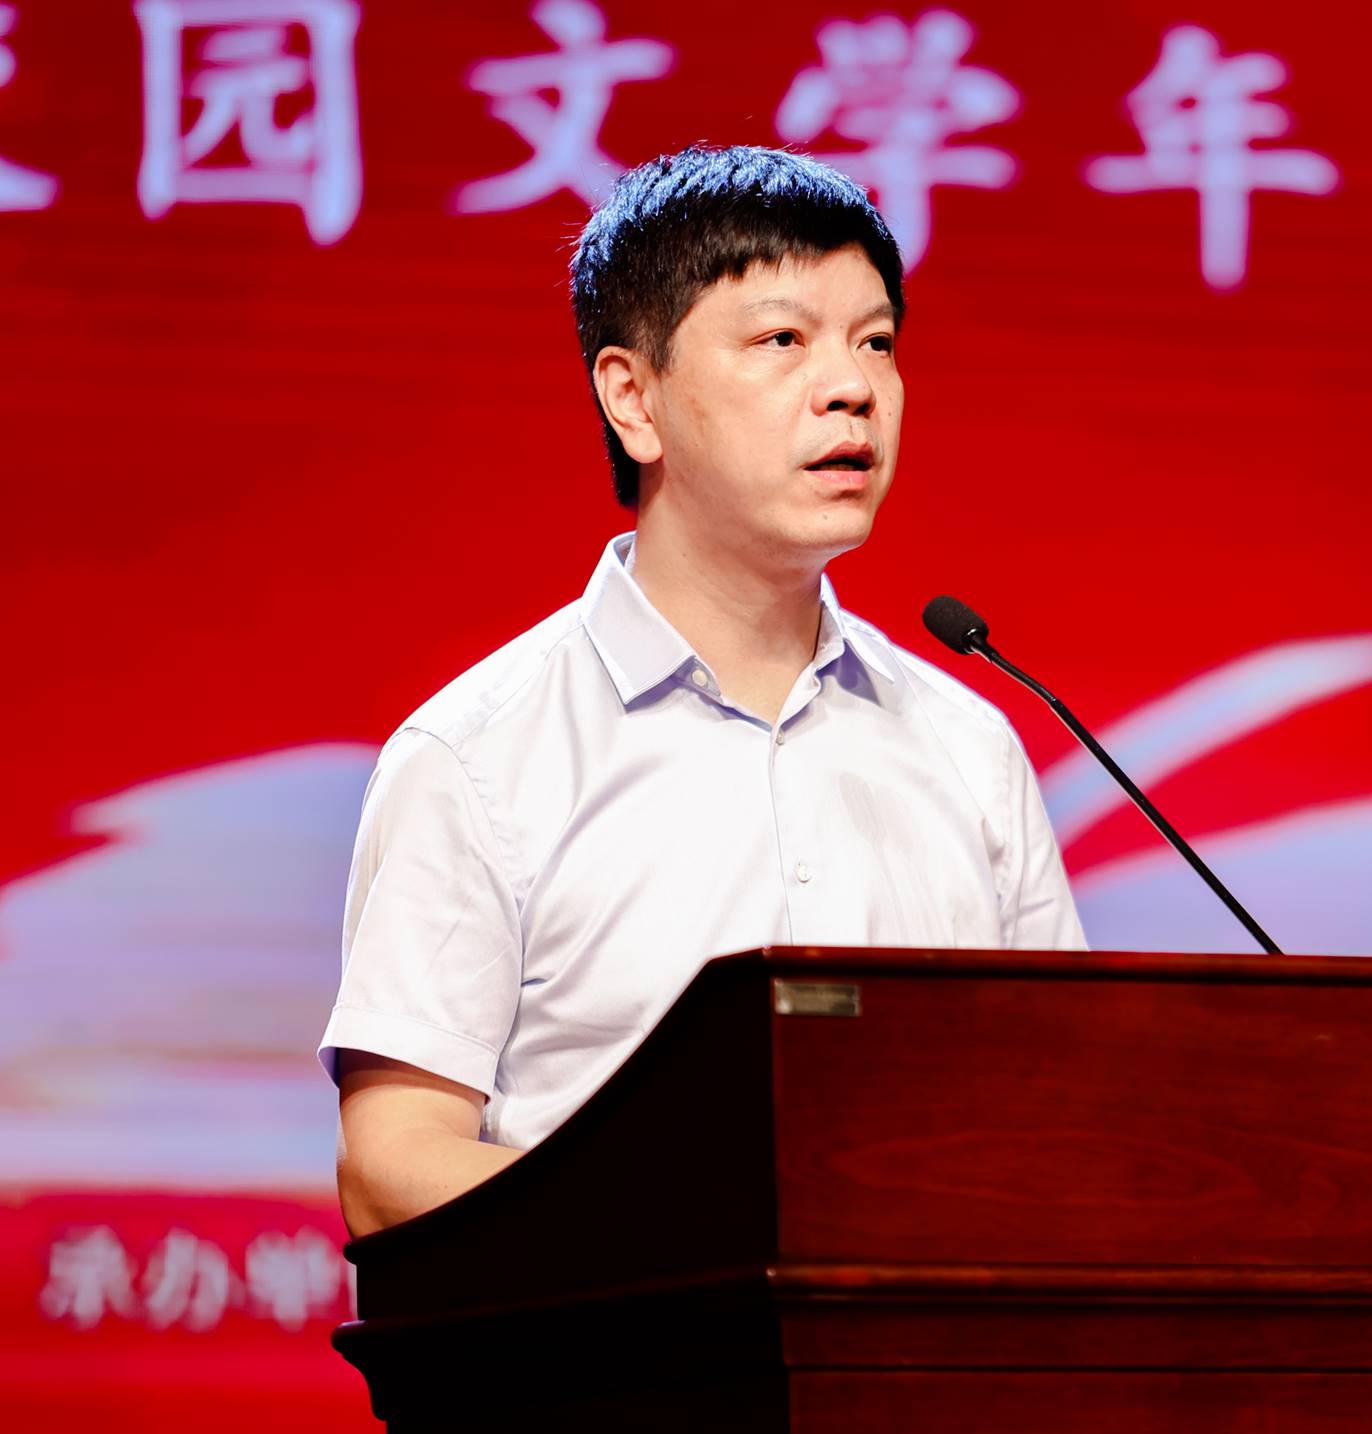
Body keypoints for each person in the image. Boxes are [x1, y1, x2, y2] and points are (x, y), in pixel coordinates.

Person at [319, 145, 1086, 1238]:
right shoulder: (479, 758)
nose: (853, 388)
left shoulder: (969, 747)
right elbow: (392, 1166)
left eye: (876, 342)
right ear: (634, 399)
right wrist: (691, 1236)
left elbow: (1065, 1110)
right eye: (783, 341)